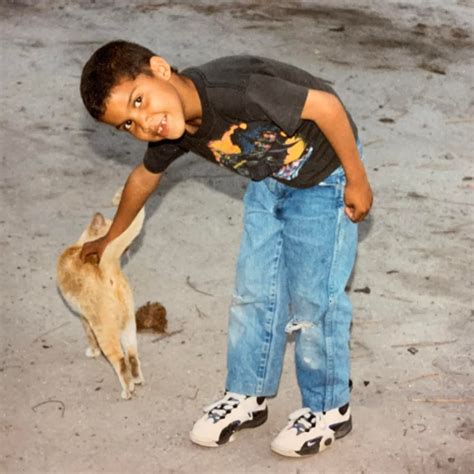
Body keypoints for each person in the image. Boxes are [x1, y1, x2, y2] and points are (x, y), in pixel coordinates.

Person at [79, 40, 373, 458]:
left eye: (138, 101)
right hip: (270, 180)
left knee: (314, 296)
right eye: (128, 124)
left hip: (325, 175)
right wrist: (112, 236)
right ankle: (248, 394)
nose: (144, 123)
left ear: (160, 69)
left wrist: (356, 178)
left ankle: (329, 408)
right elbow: (143, 178)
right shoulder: (174, 124)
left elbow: (326, 107)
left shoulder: (237, 89)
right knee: (254, 289)